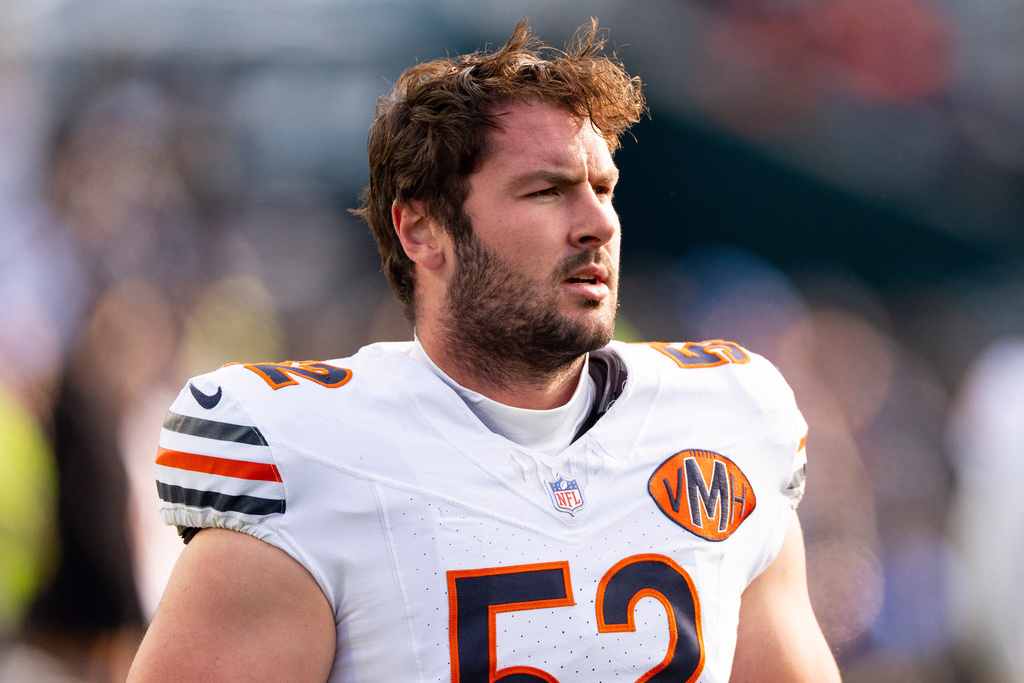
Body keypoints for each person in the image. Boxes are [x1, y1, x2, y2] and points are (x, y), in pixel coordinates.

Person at [128, 20, 840, 682]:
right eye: (546, 191)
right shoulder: (305, 455)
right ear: (422, 230)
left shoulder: (724, 419)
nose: (597, 223)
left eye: (603, 188)